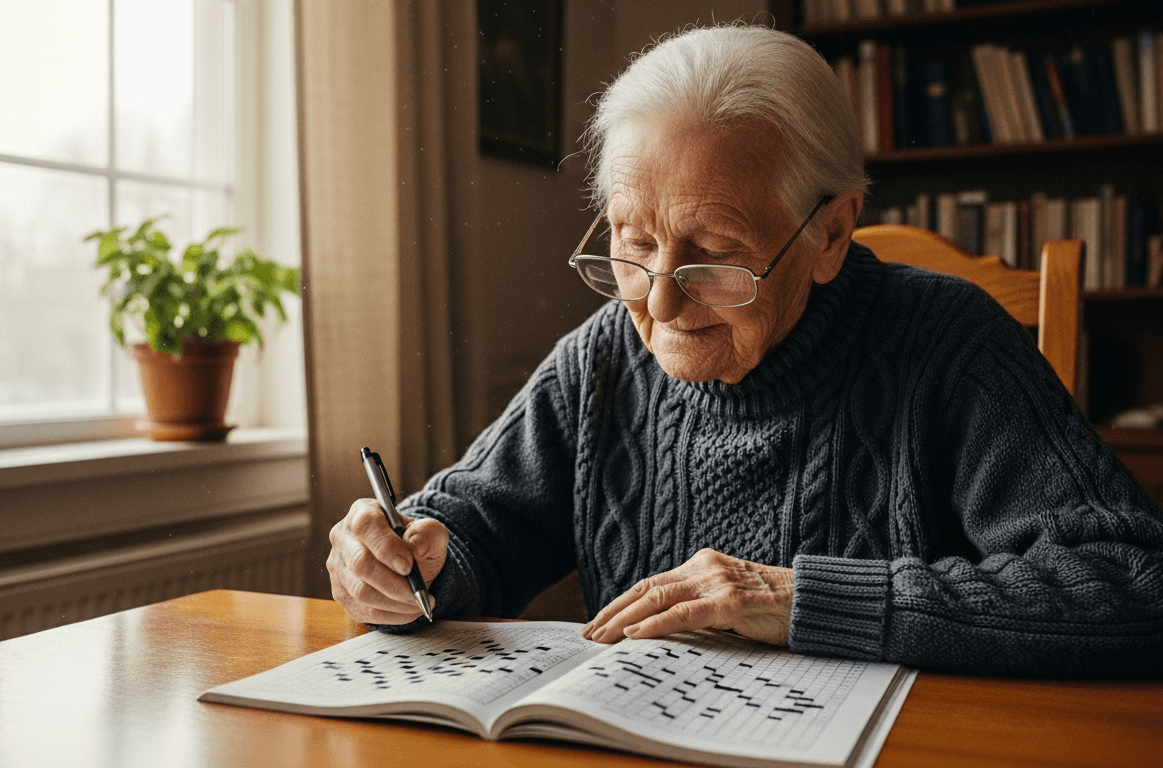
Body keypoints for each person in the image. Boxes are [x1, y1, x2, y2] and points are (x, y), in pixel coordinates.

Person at [326, 25, 1163, 678]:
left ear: (831, 232)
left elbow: (1135, 584)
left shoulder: (950, 346)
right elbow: (475, 527)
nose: (657, 301)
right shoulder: (604, 360)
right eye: (632, 243)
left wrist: (797, 598)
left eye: (712, 256)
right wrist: (406, 561)